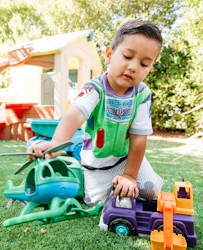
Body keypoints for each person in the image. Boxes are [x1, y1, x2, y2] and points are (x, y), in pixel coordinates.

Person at [27, 19, 164, 219]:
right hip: (96, 163)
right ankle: (72, 161)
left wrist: (129, 176)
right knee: (98, 203)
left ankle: (120, 179)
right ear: (109, 55)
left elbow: (139, 138)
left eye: (144, 64)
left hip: (124, 159)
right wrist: (56, 143)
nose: (133, 67)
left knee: (151, 191)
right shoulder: (95, 88)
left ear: (149, 69)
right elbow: (75, 114)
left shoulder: (142, 94)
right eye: (127, 56)